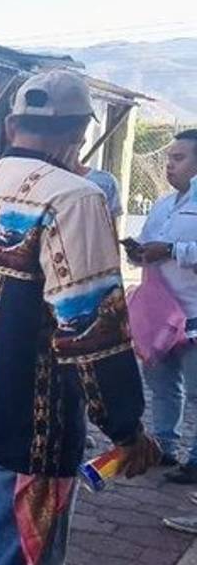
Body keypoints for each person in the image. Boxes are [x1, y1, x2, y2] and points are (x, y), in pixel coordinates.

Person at [0, 70, 158, 564]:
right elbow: (91, 328)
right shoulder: (74, 198)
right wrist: (125, 427)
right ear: (79, 131)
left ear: (11, 126)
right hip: (36, 427)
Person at [125, 129, 197, 484]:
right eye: (169, 158)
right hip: (160, 315)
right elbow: (149, 246)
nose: (169, 165)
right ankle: (165, 446)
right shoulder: (163, 205)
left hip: (194, 314)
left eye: (178, 158)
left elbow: (170, 250)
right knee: (162, 383)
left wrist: (171, 250)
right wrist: (137, 252)